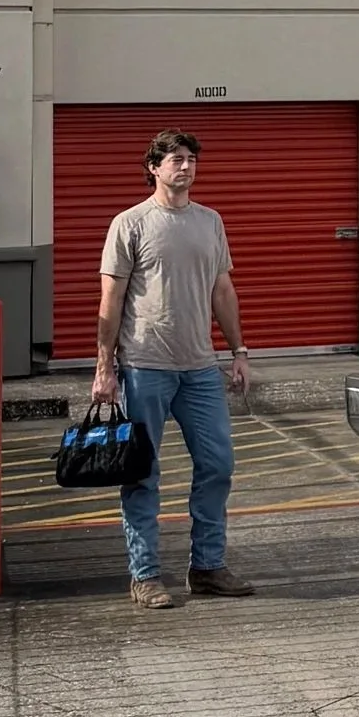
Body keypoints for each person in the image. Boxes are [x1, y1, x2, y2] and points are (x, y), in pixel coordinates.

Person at [90, 128, 257, 609]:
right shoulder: (130, 224)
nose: (185, 167)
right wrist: (105, 368)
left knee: (218, 464)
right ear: (154, 167)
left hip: (200, 367)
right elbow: (111, 300)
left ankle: (207, 567)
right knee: (142, 471)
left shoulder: (210, 221)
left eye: (191, 159)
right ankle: (144, 575)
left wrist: (239, 351)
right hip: (145, 365)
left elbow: (222, 290)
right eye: (176, 159)